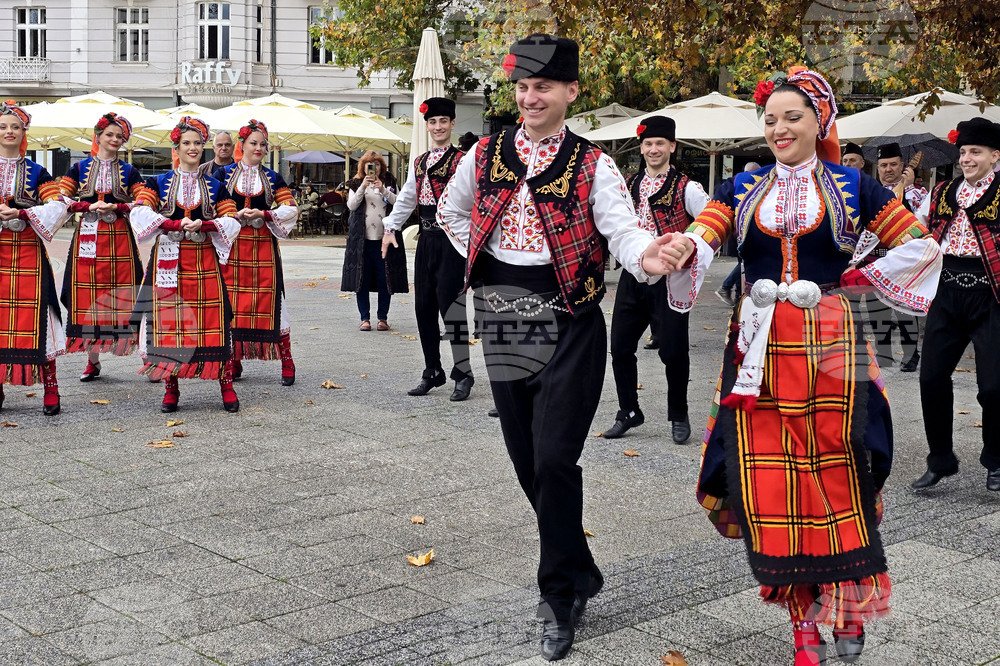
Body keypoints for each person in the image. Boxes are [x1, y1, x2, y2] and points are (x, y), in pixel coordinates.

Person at [659, 68, 941, 666]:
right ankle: (802, 625)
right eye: (770, 120)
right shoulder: (743, 184)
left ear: (820, 123)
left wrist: (857, 282)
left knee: (841, 467)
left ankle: (847, 602)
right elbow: (705, 232)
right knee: (772, 481)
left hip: (831, 341)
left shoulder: (853, 185)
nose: (779, 128)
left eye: (793, 117)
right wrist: (685, 246)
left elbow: (919, 244)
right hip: (758, 346)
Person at [437, 34, 675, 661]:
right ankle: (581, 569)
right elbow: (450, 212)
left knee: (553, 460)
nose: (529, 97)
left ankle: (556, 597)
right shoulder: (484, 154)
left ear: (571, 92)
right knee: (524, 459)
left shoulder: (593, 164)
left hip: (570, 317)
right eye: (522, 86)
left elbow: (623, 230)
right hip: (503, 313)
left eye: (543, 87)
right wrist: (481, 263)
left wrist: (647, 256)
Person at [600, 115, 707, 443]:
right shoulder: (628, 183)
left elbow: (707, 226)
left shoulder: (688, 188)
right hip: (634, 276)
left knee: (673, 352)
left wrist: (689, 259)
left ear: (672, 146)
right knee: (619, 347)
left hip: (670, 280)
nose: (653, 149)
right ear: (641, 147)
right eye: (647, 143)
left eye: (660, 143)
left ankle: (679, 413)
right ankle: (628, 410)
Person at [130, 116, 241, 413]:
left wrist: (204, 226)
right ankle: (171, 387)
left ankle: (225, 383)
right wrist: (172, 223)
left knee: (213, 321)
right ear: (175, 148)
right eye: (186, 143)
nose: (192, 148)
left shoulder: (216, 185)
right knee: (170, 322)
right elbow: (139, 213)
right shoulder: (158, 182)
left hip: (203, 260)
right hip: (168, 260)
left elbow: (231, 220)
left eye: (197, 143)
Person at [912, 117, 1000, 492]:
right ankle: (941, 460)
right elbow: (918, 233)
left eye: (974, 152)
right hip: (946, 293)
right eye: (963, 152)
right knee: (931, 377)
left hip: (991, 295)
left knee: (994, 387)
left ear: (994, 156)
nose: (966, 158)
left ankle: (996, 461)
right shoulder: (943, 191)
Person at [382, 97, 474, 401]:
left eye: (443, 121)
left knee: (452, 311)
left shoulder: (463, 160)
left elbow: (473, 199)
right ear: (427, 125)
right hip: (426, 241)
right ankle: (432, 370)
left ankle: (463, 373)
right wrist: (390, 227)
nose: (438, 127)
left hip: (451, 242)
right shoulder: (419, 161)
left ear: (451, 123)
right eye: (433, 122)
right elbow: (408, 196)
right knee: (424, 310)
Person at [59, 112, 145, 382]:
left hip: (119, 237)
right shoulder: (79, 168)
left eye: (119, 136)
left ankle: (145, 356)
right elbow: (60, 197)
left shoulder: (130, 171)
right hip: (88, 236)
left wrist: (119, 206)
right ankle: (92, 361)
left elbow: (144, 199)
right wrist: (86, 206)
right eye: (109, 134)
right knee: (89, 297)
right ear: (98, 137)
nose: (115, 139)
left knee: (127, 295)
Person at [212, 119, 298, 385]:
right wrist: (231, 214)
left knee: (272, 301)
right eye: (254, 143)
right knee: (232, 304)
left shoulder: (273, 177)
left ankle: (287, 361)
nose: (259, 148)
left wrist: (266, 213)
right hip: (232, 247)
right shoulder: (223, 175)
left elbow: (291, 207)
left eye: (263, 144)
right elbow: (210, 205)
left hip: (263, 248)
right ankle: (233, 361)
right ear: (242, 145)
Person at [0, 100, 70, 415]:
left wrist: (23, 212)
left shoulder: (37, 171)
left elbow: (59, 204)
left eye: (15, 126)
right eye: (3, 126)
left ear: (23, 132)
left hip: (28, 252)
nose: (9, 131)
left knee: (42, 317)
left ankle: (51, 386)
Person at [860, 142, 922, 371]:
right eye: (884, 165)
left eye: (893, 164)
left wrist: (905, 190)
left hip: (903, 260)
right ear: (877, 169)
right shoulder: (869, 192)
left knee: (904, 309)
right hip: (875, 259)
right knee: (878, 309)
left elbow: (919, 223)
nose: (888, 169)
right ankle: (884, 353)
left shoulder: (916, 194)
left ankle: (910, 354)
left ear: (902, 166)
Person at [341, 151, 405, 331]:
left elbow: (399, 203)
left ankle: (382, 318)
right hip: (361, 241)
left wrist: (383, 189)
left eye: (376, 164)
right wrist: (362, 186)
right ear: (363, 167)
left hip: (384, 239)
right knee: (362, 278)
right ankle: (365, 318)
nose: (373, 168)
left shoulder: (390, 181)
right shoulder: (356, 183)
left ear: (381, 167)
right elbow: (352, 206)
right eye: (369, 164)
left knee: (386, 279)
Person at [715, 161, 762, 307]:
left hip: (742, 235)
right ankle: (726, 287)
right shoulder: (738, 186)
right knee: (744, 263)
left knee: (742, 263)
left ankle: (736, 294)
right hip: (741, 235)